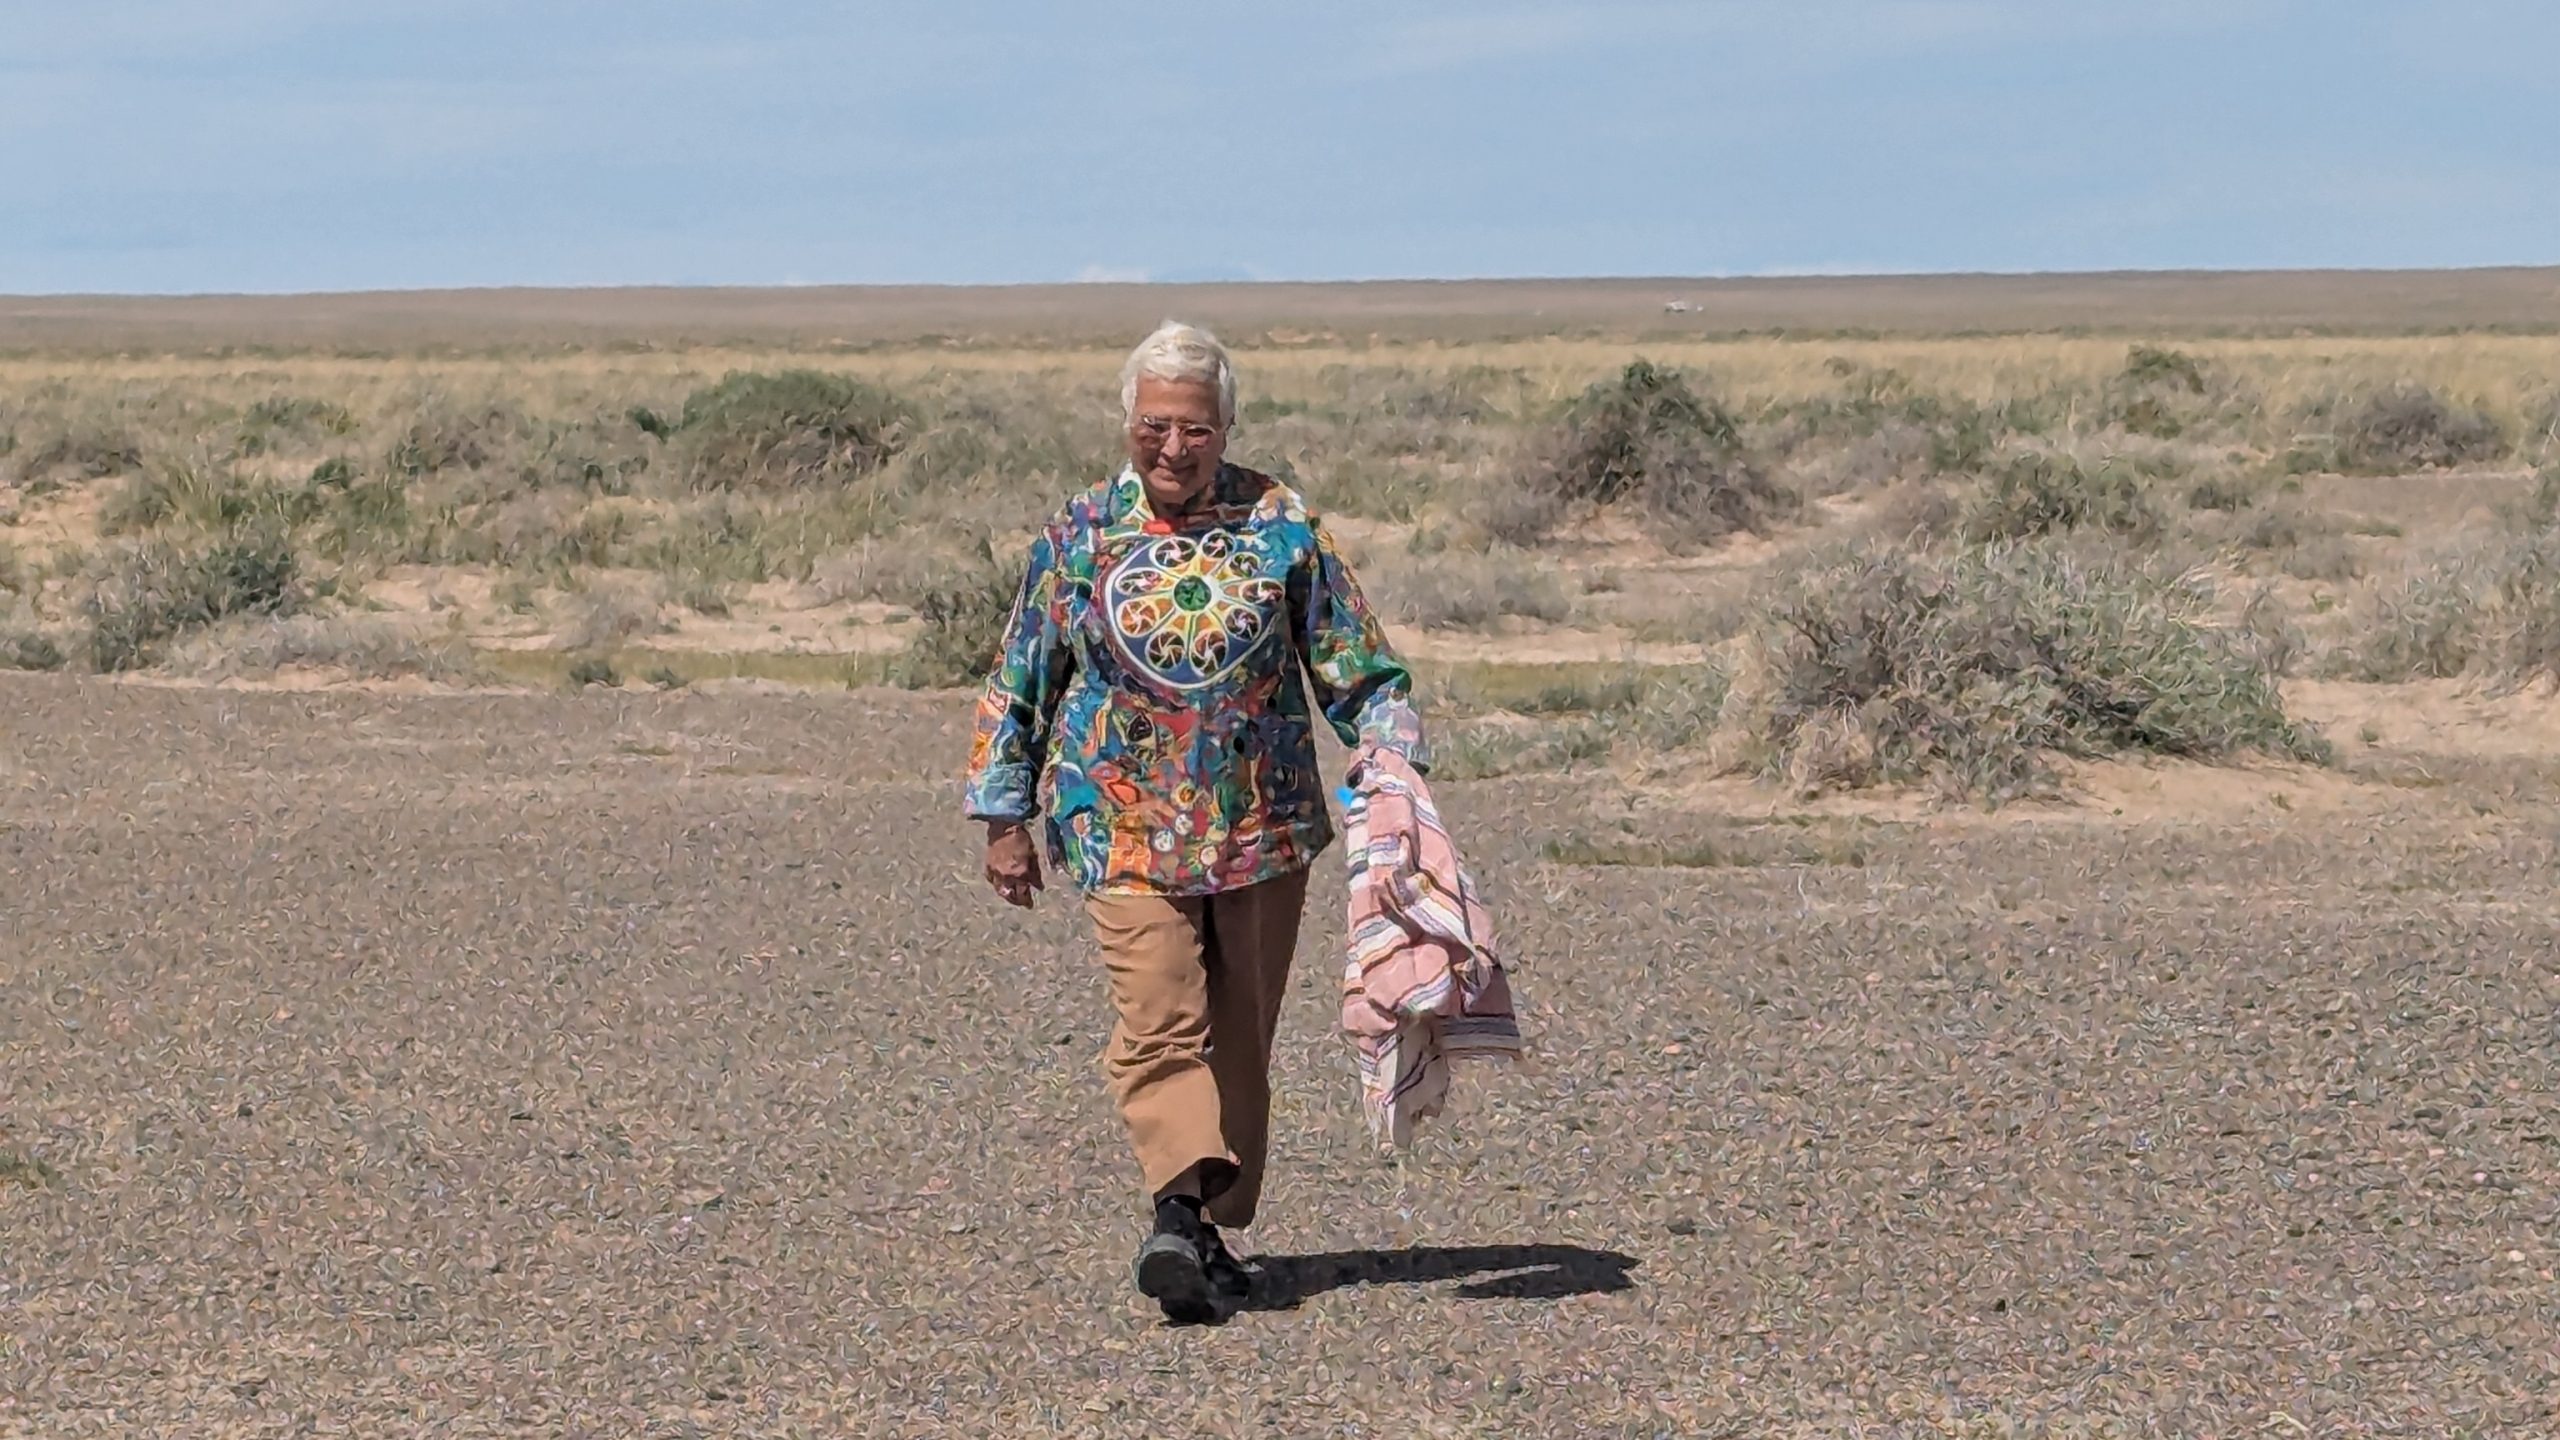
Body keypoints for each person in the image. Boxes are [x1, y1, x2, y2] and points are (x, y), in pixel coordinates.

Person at [961, 320, 1428, 1322]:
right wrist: (1004, 811)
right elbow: (1021, 676)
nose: (1173, 449)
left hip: (1259, 827)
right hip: (1117, 822)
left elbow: (1355, 661)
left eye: (1195, 430)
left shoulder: (1281, 526)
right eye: (1154, 426)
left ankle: (1205, 1230)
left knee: (1238, 1038)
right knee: (1157, 1019)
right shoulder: (1080, 534)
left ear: (1225, 428)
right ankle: (1174, 1214)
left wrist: (1390, 755)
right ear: (1127, 423)